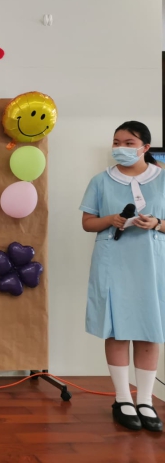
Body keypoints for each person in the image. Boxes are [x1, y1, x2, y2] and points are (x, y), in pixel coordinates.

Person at [80, 121, 164, 432]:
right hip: (112, 261)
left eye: (129, 143)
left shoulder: (163, 179)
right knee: (115, 328)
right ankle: (122, 398)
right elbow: (87, 223)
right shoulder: (101, 181)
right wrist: (111, 219)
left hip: (152, 263)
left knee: (149, 330)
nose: (121, 148)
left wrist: (157, 223)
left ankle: (146, 400)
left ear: (145, 147)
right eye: (117, 142)